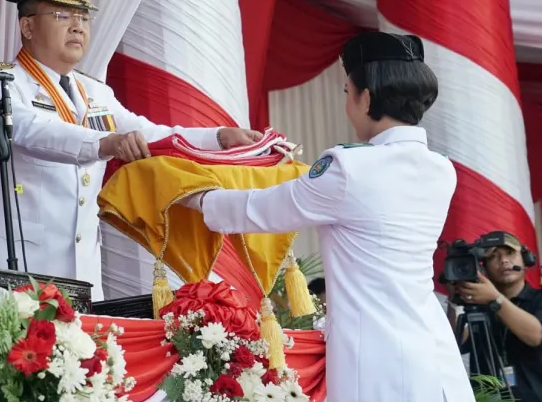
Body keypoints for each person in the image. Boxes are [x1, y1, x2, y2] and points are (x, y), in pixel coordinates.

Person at [180, 31, 474, 401]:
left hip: (377, 359)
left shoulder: (349, 167)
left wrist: (191, 195)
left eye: (348, 92)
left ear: (366, 98)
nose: (348, 104)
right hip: (433, 350)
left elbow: (261, 210)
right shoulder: (442, 169)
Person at [0, 0, 262, 300]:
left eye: (83, 17)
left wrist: (218, 137)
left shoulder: (95, 92)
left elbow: (148, 134)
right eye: (62, 15)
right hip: (11, 271)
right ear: (28, 27)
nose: (78, 26)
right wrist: (106, 143)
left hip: (81, 274)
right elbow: (30, 130)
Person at [455, 231, 542, 402]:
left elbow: (537, 335)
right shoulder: (479, 306)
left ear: (526, 259)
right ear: (483, 267)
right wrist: (454, 301)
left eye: (510, 253)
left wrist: (496, 300)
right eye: (493, 256)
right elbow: (454, 344)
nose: (504, 260)